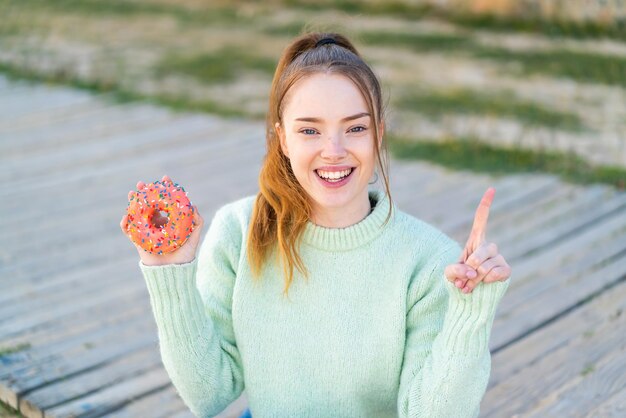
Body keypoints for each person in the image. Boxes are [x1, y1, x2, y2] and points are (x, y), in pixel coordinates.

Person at [120, 32, 512, 418]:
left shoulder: (430, 261)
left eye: (356, 128)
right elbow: (209, 395)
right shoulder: (238, 232)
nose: (334, 151)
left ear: (379, 133)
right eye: (309, 130)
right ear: (283, 139)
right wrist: (168, 271)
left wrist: (469, 313)